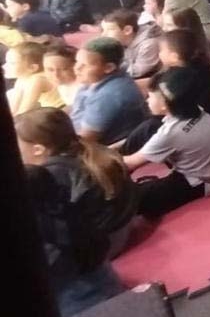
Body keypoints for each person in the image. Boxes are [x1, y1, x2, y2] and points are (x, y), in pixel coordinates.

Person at [17, 106, 137, 260]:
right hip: (124, 226)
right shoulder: (86, 148)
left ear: (38, 149)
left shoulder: (53, 174)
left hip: (107, 242)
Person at [120, 67, 210, 220]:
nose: (146, 99)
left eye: (150, 96)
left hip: (203, 182)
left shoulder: (170, 134)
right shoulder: (195, 108)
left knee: (132, 199)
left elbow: (130, 163)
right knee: (149, 128)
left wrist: (99, 158)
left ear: (165, 104)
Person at [68, 38, 148, 145]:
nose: (77, 68)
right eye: (77, 61)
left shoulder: (108, 96)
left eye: (85, 65)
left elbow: (85, 140)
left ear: (109, 67)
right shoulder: (96, 79)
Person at [99, 8, 162, 80]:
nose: (103, 35)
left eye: (109, 30)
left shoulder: (148, 44)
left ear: (127, 30)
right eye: (103, 30)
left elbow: (138, 71)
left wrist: (110, 72)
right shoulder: (120, 41)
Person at [6, 42, 51, 115]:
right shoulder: (21, 79)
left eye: (12, 63)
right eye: (6, 62)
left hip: (62, 110)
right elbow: (15, 108)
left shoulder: (37, 80)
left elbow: (24, 111)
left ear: (32, 68)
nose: (5, 66)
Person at [39, 43, 79, 110]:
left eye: (64, 69)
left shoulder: (83, 88)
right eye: (50, 70)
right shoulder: (63, 85)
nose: (56, 75)